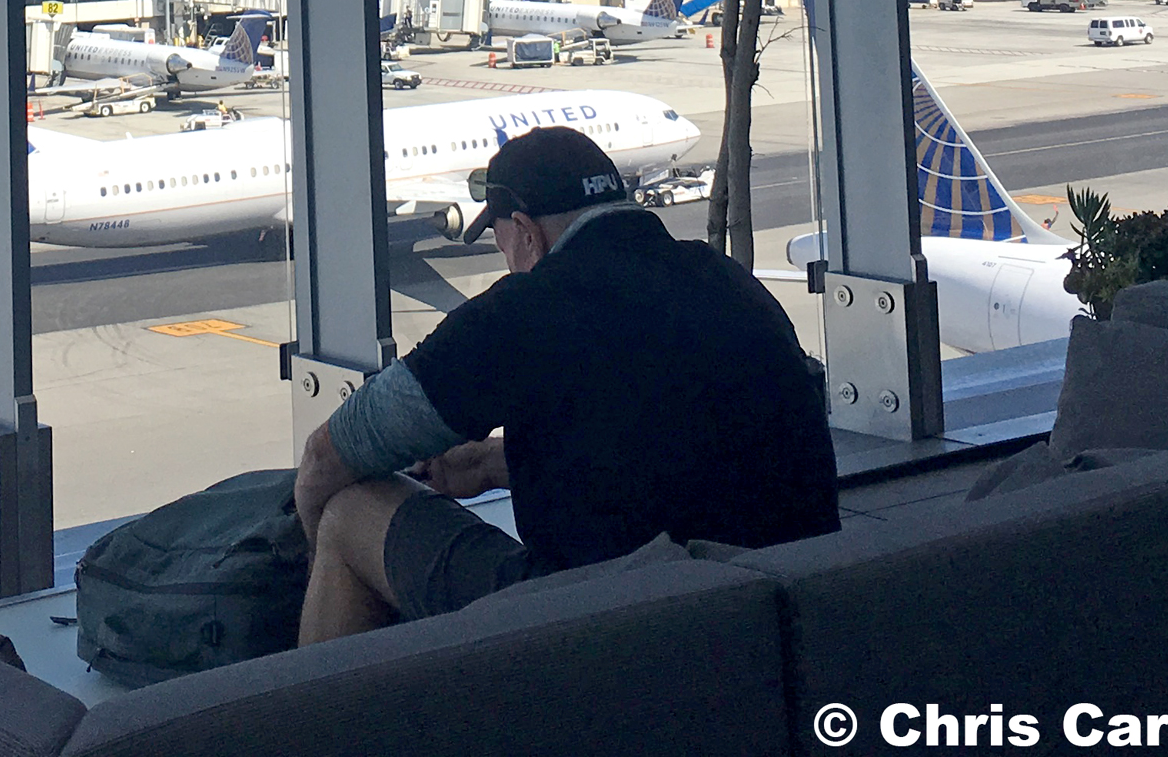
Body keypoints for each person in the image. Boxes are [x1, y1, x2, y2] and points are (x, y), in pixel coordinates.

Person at [292, 123, 837, 641]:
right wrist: (491, 464)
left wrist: (316, 561)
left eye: (502, 243)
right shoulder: (724, 279)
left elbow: (326, 456)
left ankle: (311, 704)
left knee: (348, 514)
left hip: (617, 629)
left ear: (526, 233)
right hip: (784, 610)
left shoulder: (522, 312)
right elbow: (681, 445)